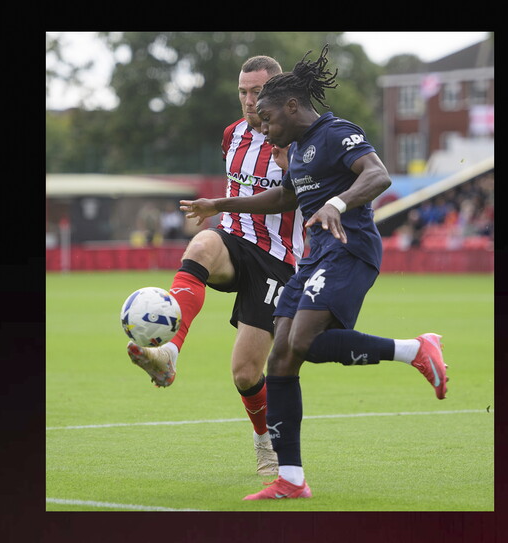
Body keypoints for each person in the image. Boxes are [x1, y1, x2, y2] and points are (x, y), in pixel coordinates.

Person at [179, 45, 449, 501]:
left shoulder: (335, 132)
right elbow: (283, 200)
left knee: (300, 344)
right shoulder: (297, 148)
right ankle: (291, 479)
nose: (262, 127)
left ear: (289, 105)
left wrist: (337, 203)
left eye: (267, 116)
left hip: (349, 250)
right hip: (313, 258)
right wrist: (218, 205)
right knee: (281, 357)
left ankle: (416, 350)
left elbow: (378, 175)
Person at [126, 55, 304, 478]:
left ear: (277, 92)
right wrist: (221, 215)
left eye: (256, 92)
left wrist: (219, 205)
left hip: (276, 261)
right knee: (203, 242)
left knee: (245, 373)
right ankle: (167, 353)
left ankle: (266, 442)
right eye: (242, 92)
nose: (247, 100)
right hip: (233, 240)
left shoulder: (298, 141)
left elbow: (288, 199)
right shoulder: (233, 135)